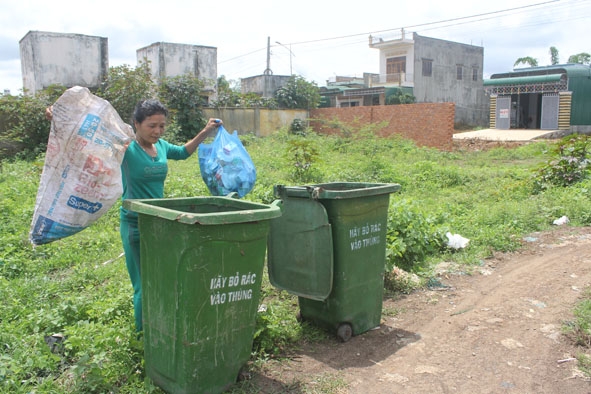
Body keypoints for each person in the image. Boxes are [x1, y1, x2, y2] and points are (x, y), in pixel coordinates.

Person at [46, 99, 222, 332]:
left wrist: (205, 132)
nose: (158, 131)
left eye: (162, 125)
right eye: (152, 126)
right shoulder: (123, 148)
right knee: (143, 285)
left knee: (163, 279)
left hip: (160, 223)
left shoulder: (160, 146)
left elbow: (181, 153)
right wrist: (61, 120)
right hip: (135, 225)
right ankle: (143, 339)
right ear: (136, 124)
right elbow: (88, 143)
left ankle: (162, 326)